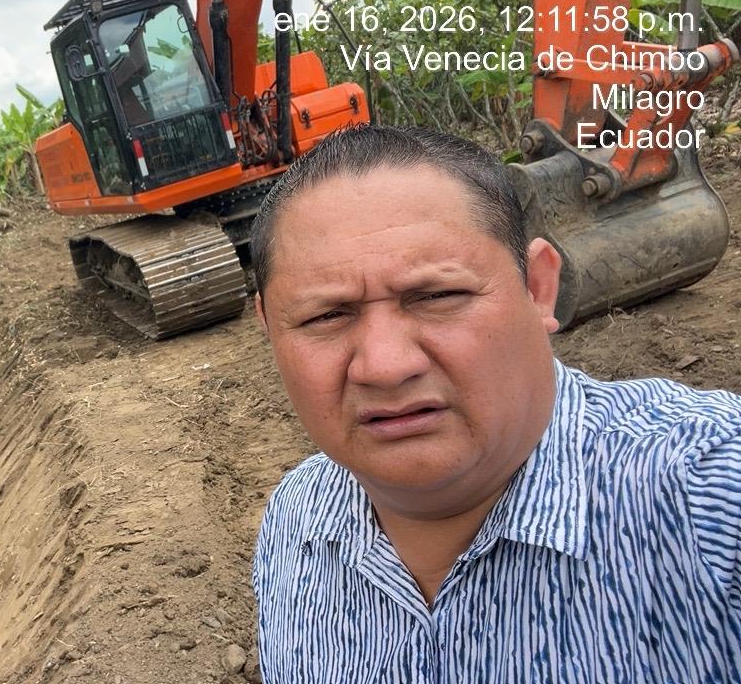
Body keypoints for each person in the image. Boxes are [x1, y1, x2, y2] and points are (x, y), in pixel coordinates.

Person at [248, 125, 741, 682]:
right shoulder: (295, 523)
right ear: (269, 327)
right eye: (326, 316)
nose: (384, 366)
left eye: (438, 296)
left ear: (539, 288)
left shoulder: (712, 501)